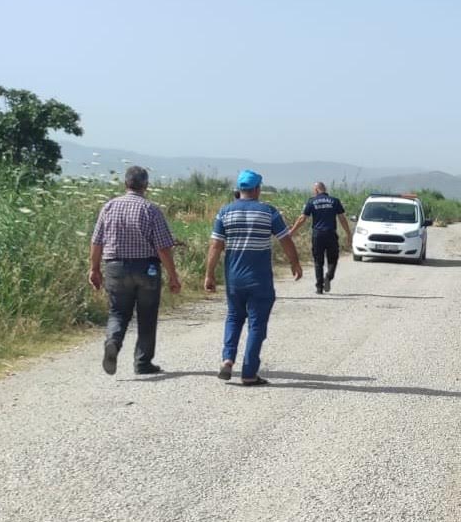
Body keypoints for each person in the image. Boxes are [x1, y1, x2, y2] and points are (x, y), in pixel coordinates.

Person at [203, 170, 302, 385]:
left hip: (234, 279)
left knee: (233, 317)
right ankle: (249, 372)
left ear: (239, 189)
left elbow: (216, 245)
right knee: (256, 324)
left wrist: (209, 274)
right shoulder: (268, 212)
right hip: (260, 280)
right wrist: (294, 262)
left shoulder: (225, 212)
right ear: (257, 189)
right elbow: (285, 240)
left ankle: (227, 359)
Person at [89, 165, 182, 375]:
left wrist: (94, 269)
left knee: (118, 312)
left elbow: (96, 241)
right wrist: (173, 276)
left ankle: (113, 341)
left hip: (115, 267)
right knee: (147, 315)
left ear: (125, 184)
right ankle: (142, 362)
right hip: (146, 267)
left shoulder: (109, 207)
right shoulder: (151, 209)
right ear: (146, 186)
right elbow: (163, 248)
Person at [288, 181, 351, 294]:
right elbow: (342, 218)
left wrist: (292, 231)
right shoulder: (334, 201)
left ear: (316, 190)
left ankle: (319, 288)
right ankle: (328, 277)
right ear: (325, 189)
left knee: (318, 261)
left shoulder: (312, 201)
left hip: (318, 235)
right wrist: (348, 233)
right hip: (331, 234)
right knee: (333, 258)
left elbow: (302, 218)